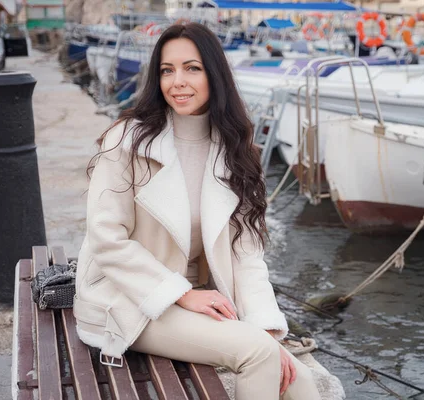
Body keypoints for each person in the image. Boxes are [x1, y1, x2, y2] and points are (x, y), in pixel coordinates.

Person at [74, 22, 322, 400]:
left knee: (297, 378)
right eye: (167, 70)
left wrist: (268, 328)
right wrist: (181, 294)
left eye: (192, 68)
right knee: (256, 354)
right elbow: (106, 240)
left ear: (214, 74)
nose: (178, 81)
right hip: (129, 298)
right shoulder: (127, 140)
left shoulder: (234, 146)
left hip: (198, 297)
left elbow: (246, 253)